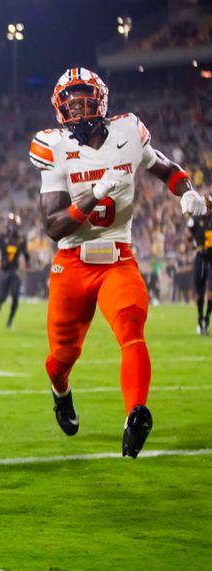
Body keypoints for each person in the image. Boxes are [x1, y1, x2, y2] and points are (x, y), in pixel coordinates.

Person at [29, 67, 207, 458]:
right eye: (71, 100)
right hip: (72, 263)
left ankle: (136, 413)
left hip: (117, 257)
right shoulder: (52, 145)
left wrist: (187, 192)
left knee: (132, 327)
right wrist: (93, 194)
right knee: (62, 357)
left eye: (85, 98)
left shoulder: (128, 132)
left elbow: (165, 168)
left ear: (101, 100)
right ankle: (61, 391)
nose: (78, 106)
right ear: (60, 108)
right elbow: (54, 227)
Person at [0, 212, 30, 329]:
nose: (11, 227)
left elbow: (26, 254)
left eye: (14, 224)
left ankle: (9, 321)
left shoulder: (21, 240)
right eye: (10, 224)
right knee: (3, 296)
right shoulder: (2, 238)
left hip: (15, 272)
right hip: (4, 270)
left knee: (15, 296)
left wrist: (28, 265)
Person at [186, 198, 212, 334]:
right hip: (201, 257)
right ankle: (200, 318)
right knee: (200, 290)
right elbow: (188, 236)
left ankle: (207, 318)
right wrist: (190, 239)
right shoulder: (195, 221)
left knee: (211, 291)